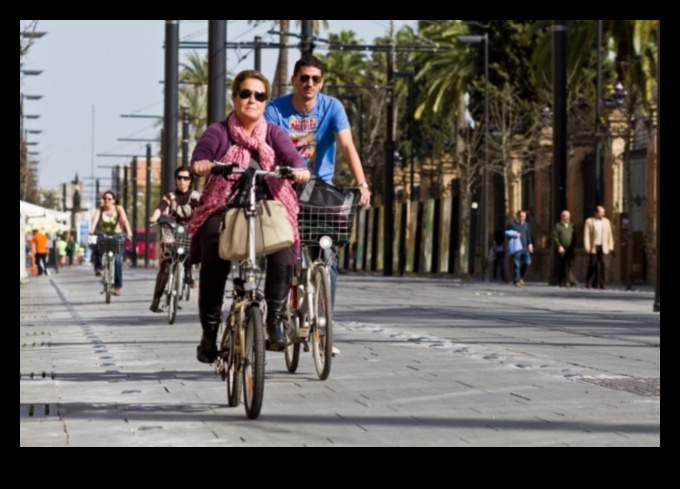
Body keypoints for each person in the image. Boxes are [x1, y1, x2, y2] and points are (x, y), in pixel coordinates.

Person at [189, 69, 310, 364]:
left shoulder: (272, 133)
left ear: (266, 101)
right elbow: (202, 153)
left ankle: (274, 322)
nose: (251, 100)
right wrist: (202, 164)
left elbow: (291, 156)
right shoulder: (219, 131)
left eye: (259, 95)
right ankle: (210, 332)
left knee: (284, 242)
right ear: (234, 98)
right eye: (245, 93)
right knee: (214, 246)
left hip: (266, 204)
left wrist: (298, 168)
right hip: (225, 206)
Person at [265, 54, 371, 355]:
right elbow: (270, 148)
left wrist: (362, 184)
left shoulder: (332, 107)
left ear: (321, 82)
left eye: (315, 79)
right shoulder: (276, 109)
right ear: (294, 80)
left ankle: (323, 328)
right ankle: (281, 312)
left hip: (320, 190)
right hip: (284, 188)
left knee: (327, 256)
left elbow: (348, 145)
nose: (309, 83)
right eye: (304, 78)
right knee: (284, 255)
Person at [148, 166, 201, 312]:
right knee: (165, 264)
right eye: (179, 178)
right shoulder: (170, 195)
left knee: (192, 248)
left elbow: (201, 210)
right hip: (171, 229)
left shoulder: (196, 196)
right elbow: (161, 207)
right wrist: (154, 217)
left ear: (190, 181)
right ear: (175, 180)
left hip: (189, 229)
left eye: (186, 178)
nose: (182, 181)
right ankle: (155, 301)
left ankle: (188, 271)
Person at [88, 190, 133, 296]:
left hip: (117, 235)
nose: (106, 201)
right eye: (105, 199)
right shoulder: (100, 208)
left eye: (109, 199)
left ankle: (117, 287)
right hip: (104, 235)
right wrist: (91, 230)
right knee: (98, 243)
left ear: (113, 200)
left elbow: (125, 220)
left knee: (117, 261)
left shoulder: (118, 208)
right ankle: (98, 268)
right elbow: (95, 220)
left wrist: (129, 232)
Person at [584, 205, 614, 289]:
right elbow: (586, 235)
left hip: (604, 247)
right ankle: (589, 282)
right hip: (594, 246)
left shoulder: (606, 221)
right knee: (592, 265)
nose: (603, 214)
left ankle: (603, 284)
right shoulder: (589, 221)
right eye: (601, 212)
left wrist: (611, 246)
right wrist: (587, 246)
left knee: (604, 266)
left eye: (603, 212)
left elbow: (609, 234)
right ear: (596, 213)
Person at [505, 210, 534, 287]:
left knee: (528, 262)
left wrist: (530, 244)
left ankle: (520, 276)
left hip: (524, 247)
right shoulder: (512, 224)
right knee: (516, 265)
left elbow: (528, 234)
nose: (523, 218)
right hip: (517, 247)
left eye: (524, 216)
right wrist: (514, 234)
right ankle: (516, 280)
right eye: (522, 216)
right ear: (518, 216)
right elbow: (506, 232)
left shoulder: (526, 224)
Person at [554, 209, 577, 287]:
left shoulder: (572, 226)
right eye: (565, 216)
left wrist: (574, 245)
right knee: (562, 265)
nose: (567, 218)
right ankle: (561, 281)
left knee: (571, 265)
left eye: (568, 216)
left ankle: (572, 280)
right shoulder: (558, 225)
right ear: (562, 217)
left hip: (570, 248)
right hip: (562, 247)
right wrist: (559, 245)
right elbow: (555, 236)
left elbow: (575, 236)